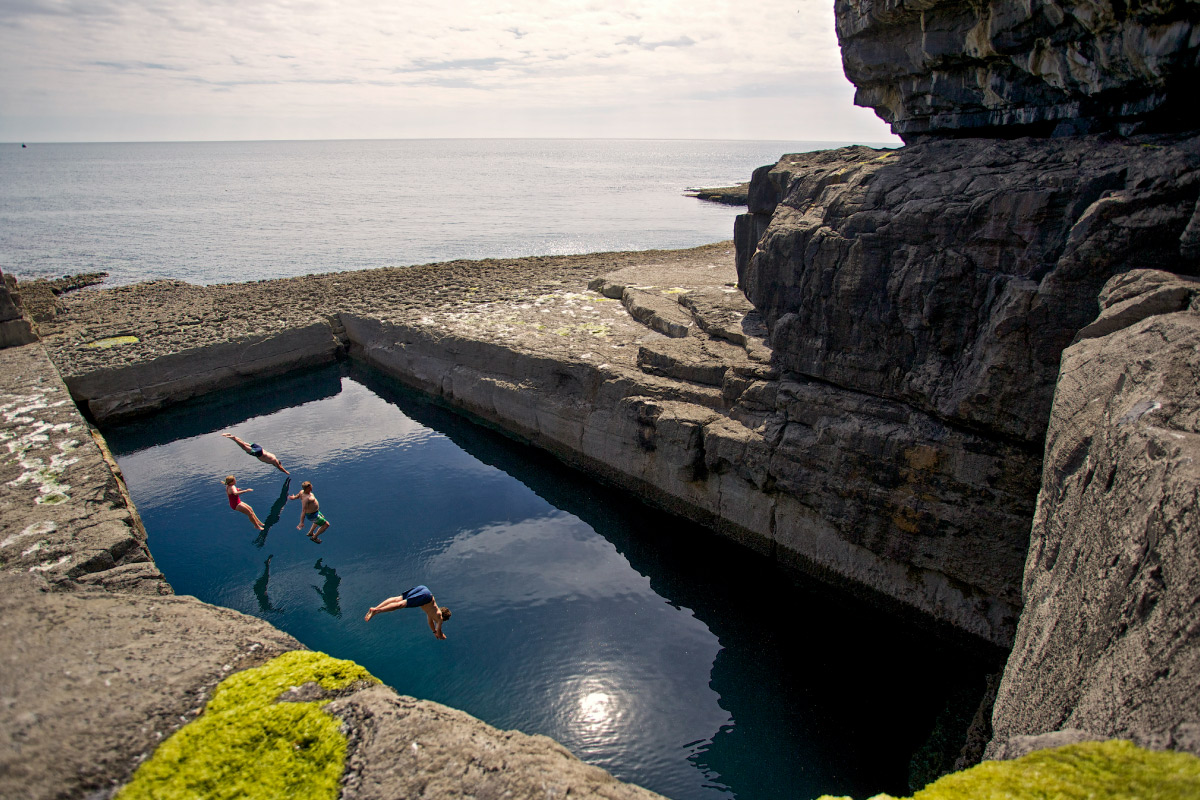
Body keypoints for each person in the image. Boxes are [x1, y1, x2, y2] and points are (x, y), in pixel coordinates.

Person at [364, 585, 451, 639]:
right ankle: (377, 610)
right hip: (425, 597)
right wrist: (442, 637)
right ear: (444, 618)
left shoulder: (432, 612)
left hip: (424, 589)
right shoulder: (439, 618)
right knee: (400, 605)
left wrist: (434, 632)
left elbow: (430, 622)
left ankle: (375, 608)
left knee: (397, 599)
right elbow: (439, 632)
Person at [222, 433, 289, 474]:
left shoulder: (274, 456)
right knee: (243, 446)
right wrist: (286, 472)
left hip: (260, 448)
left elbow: (279, 465)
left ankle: (231, 436)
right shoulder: (274, 461)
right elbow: (280, 467)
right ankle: (233, 438)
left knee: (244, 442)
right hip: (259, 453)